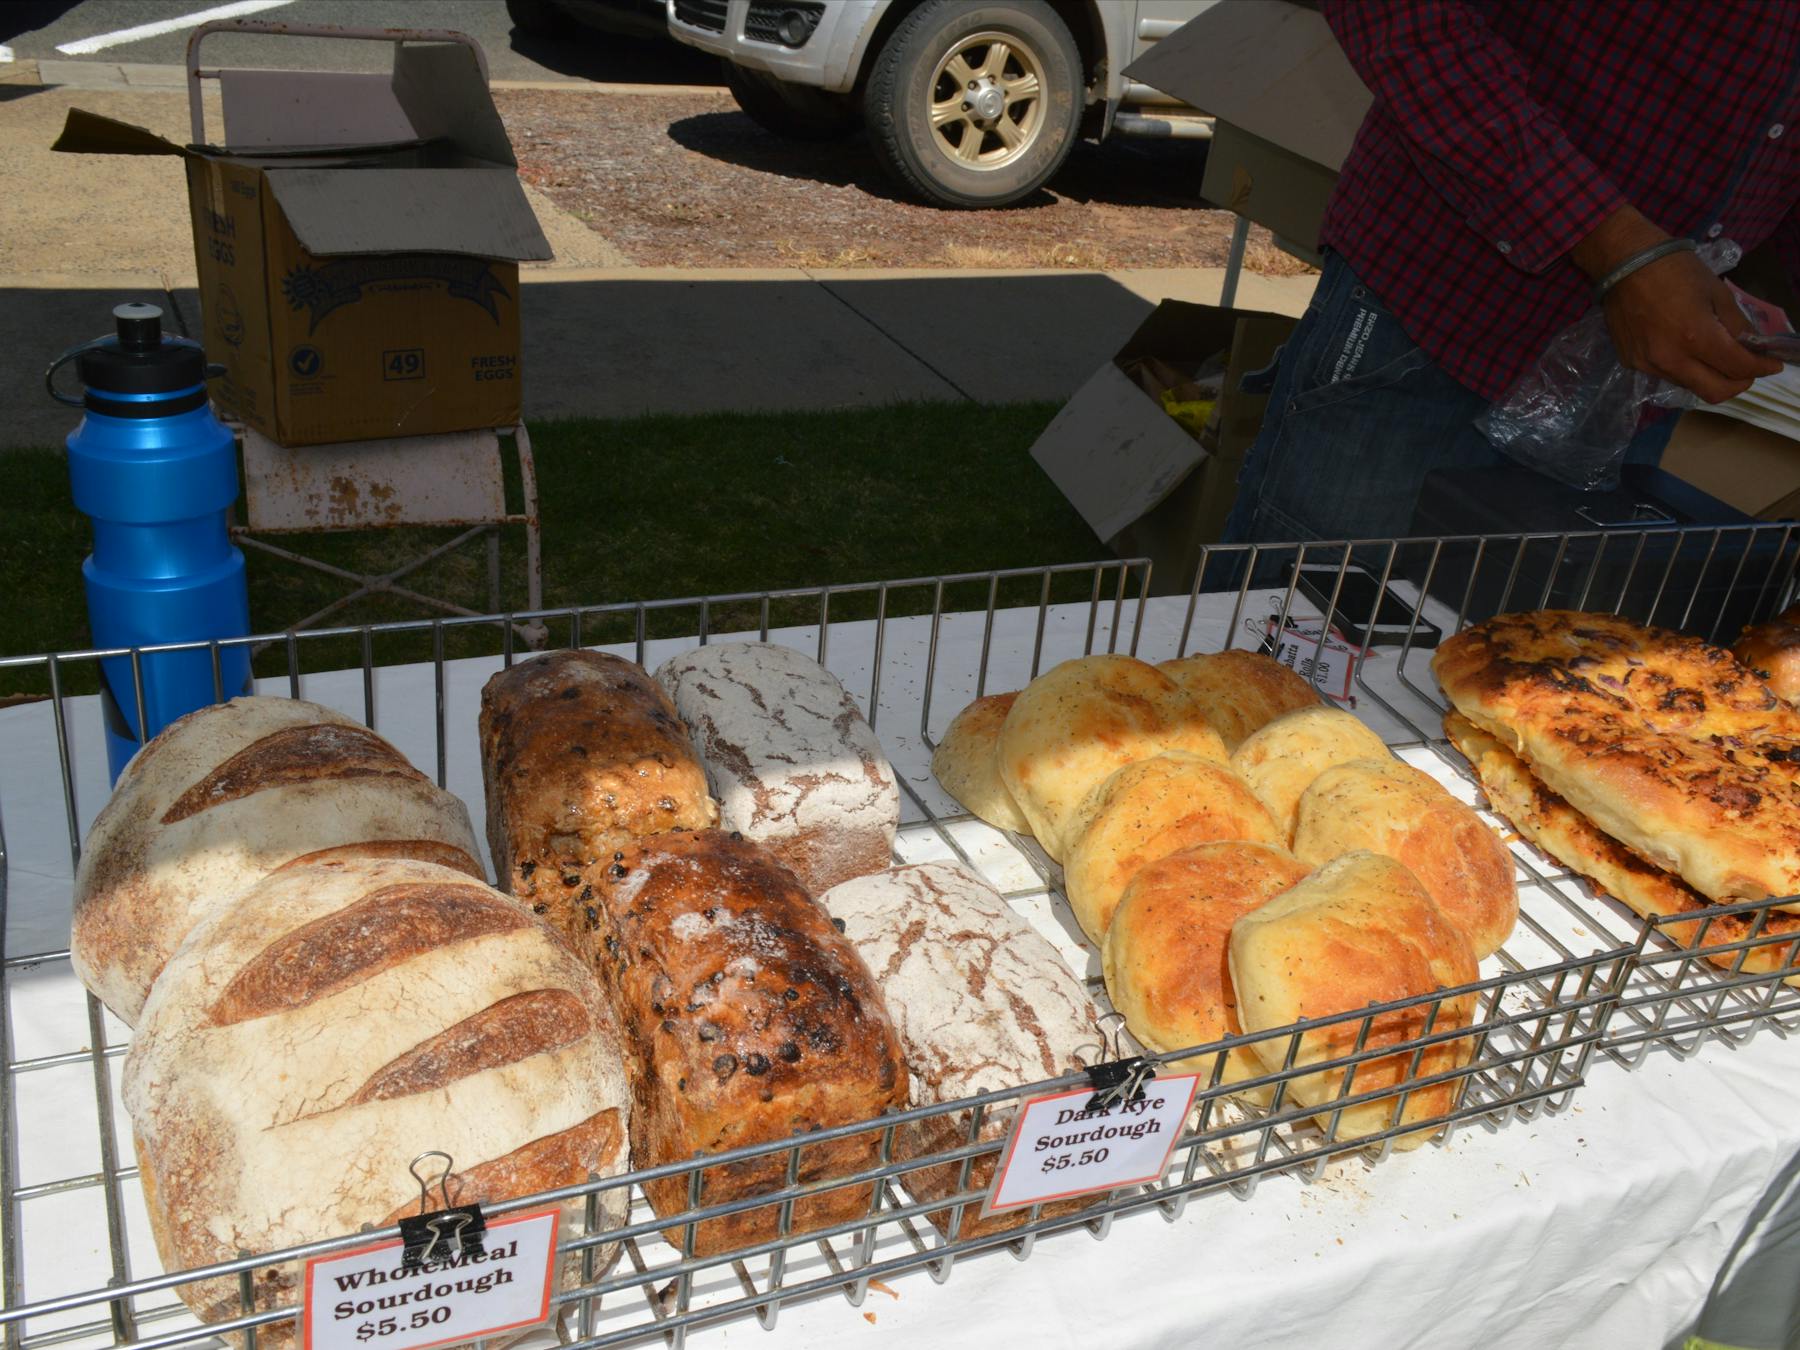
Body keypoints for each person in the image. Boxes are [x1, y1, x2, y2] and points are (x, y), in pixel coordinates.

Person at [1225, 0, 1800, 545]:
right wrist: (1614, 244)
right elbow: (1405, 17)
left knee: (1543, 645)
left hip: (1628, 395)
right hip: (1435, 325)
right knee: (1307, 634)